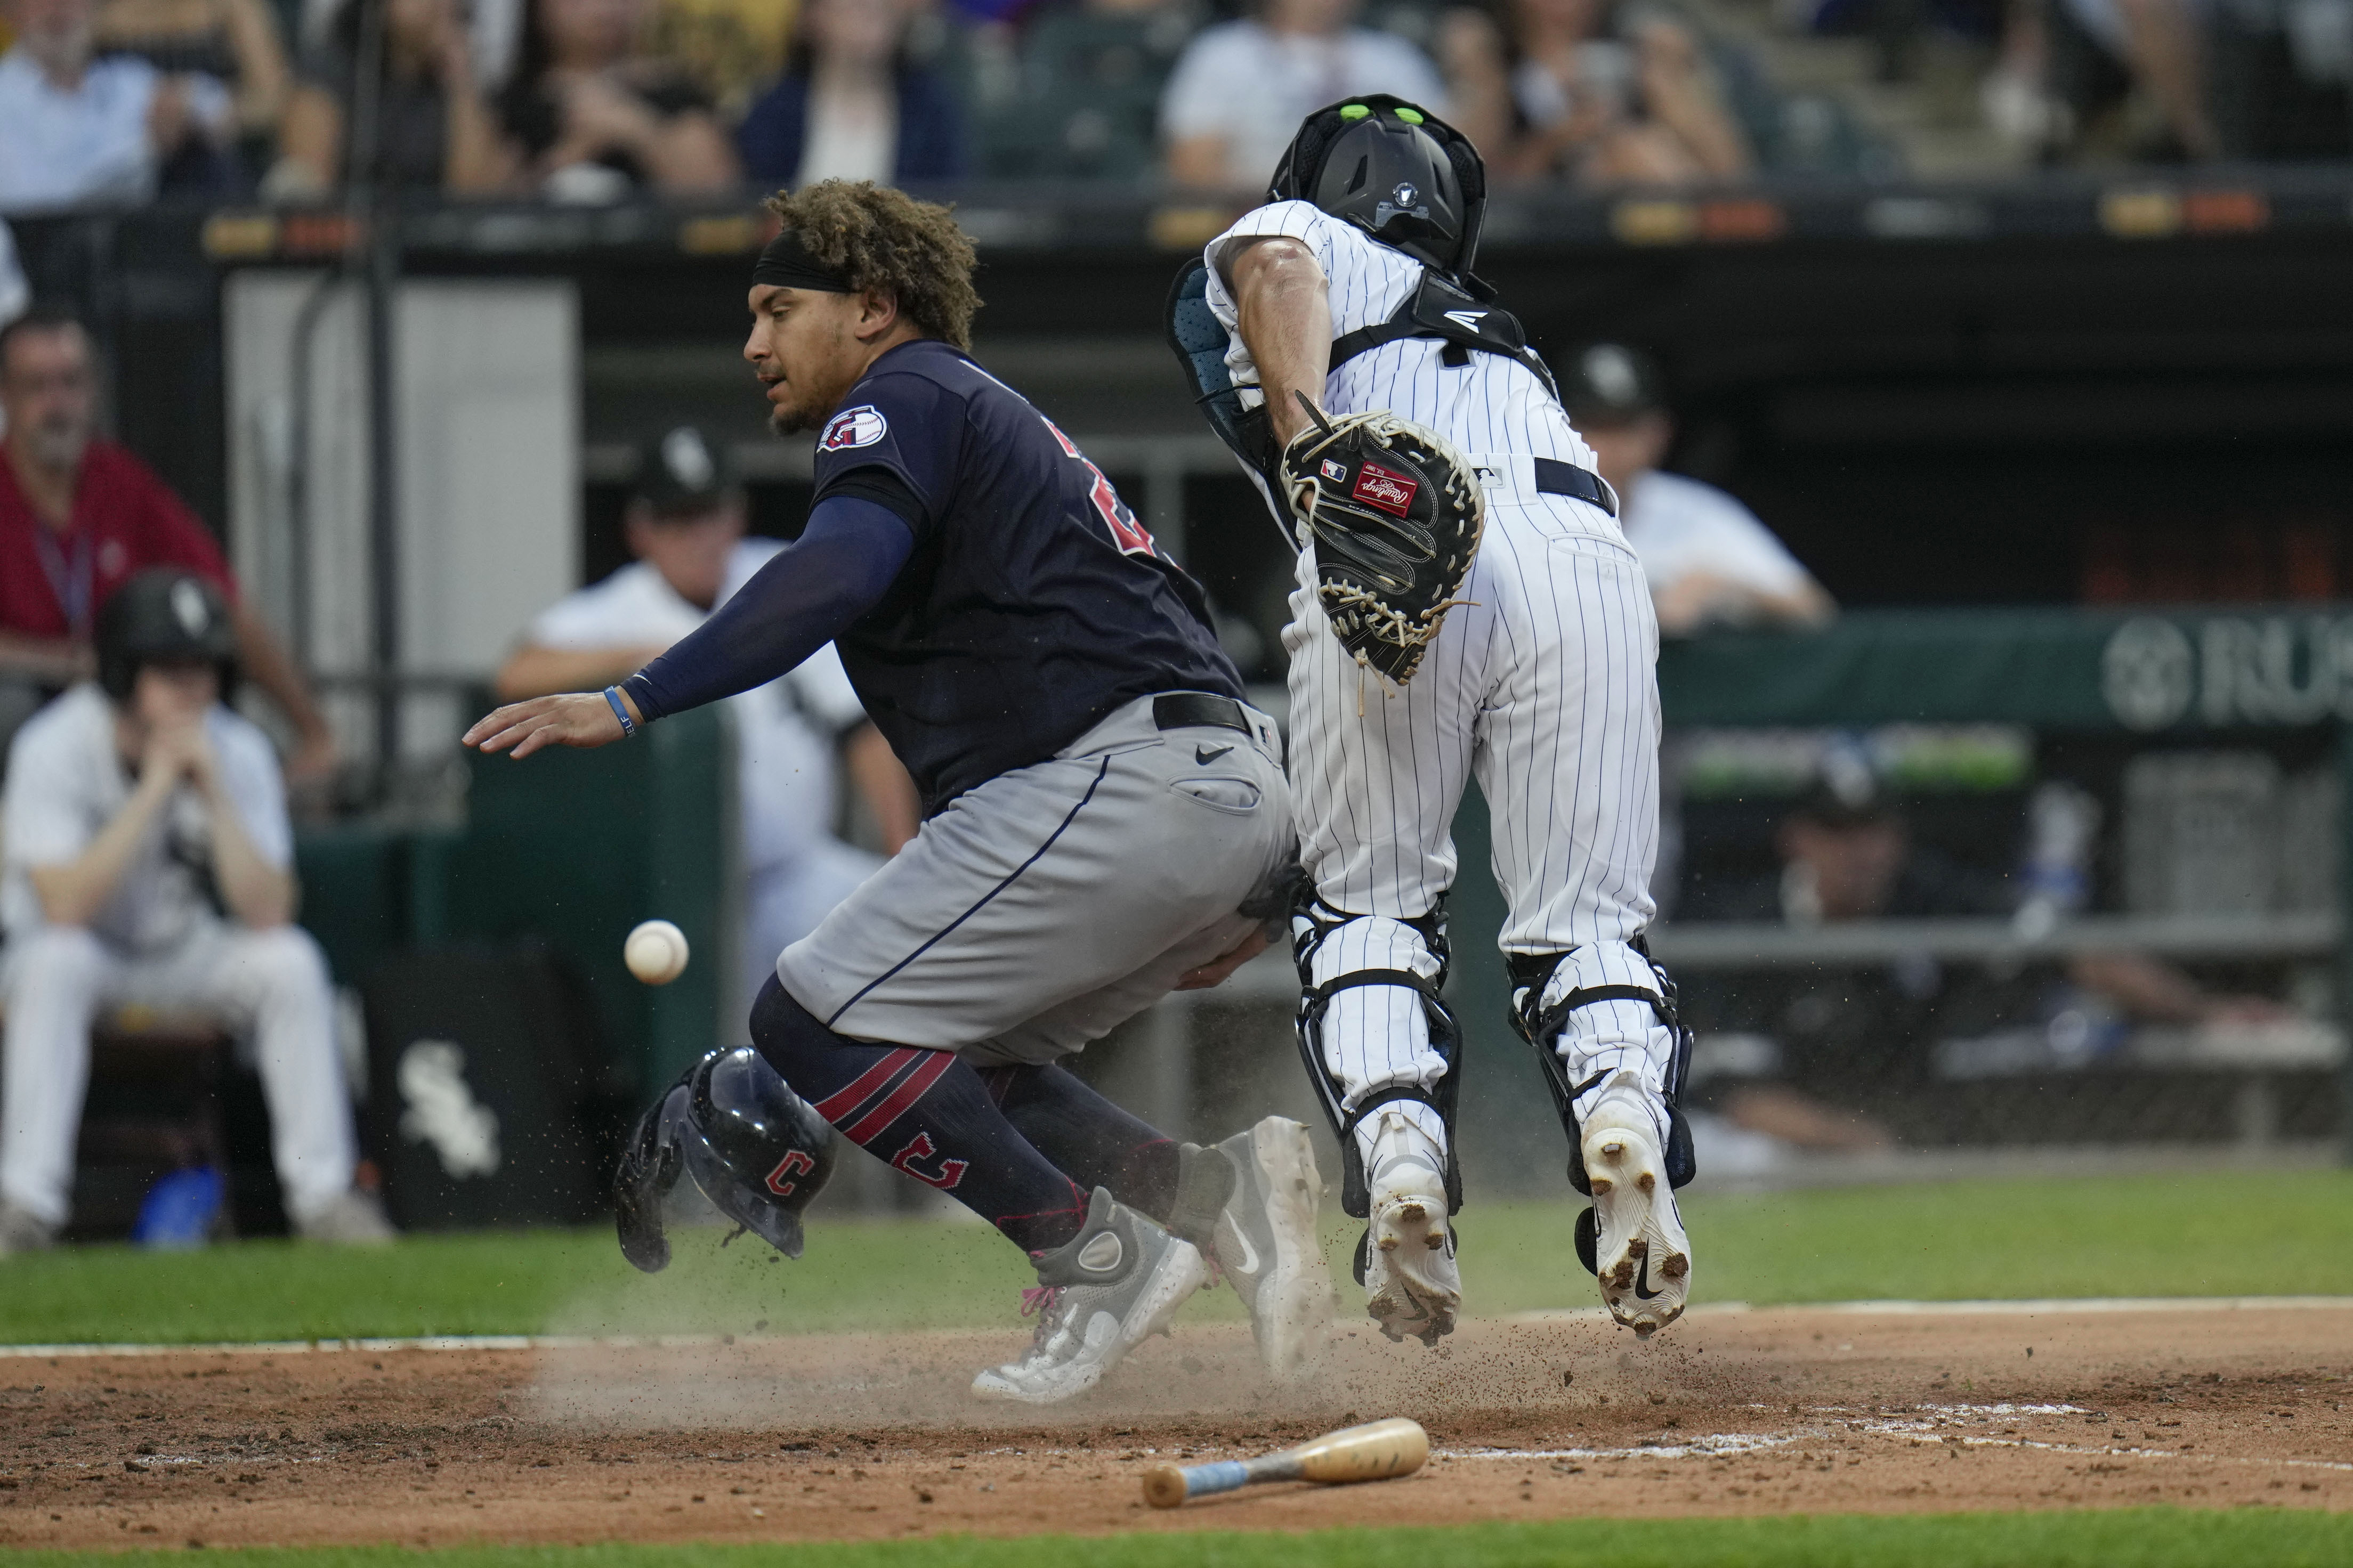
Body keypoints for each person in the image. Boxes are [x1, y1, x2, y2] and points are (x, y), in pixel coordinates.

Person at [465, 179, 1329, 1405]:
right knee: (951, 1045)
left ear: (870, 310)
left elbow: (832, 576)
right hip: (1204, 786)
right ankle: (1205, 1196)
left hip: (1127, 782)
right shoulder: (978, 417)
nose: (753, 343)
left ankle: (1091, 1256)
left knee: (808, 1020)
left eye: (779, 308)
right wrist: (1250, 883)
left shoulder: (903, 395)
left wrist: (630, 698)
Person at [1184, 95, 1692, 1342]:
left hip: (1397, 536)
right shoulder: (1498, 342)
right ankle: (1619, 1113)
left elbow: (1272, 264)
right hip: (1580, 546)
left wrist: (1312, 441)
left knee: (1368, 907)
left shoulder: (1313, 235)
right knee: (1586, 924)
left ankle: (1403, 1166)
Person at [0, 570, 391, 1255]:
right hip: (79, 953)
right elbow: (65, 905)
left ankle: (323, 1199)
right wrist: (151, 792)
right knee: (53, 962)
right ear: (123, 673)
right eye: (169, 669)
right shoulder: (54, 746)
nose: (192, 688)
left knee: (289, 961)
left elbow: (268, 908)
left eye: (203, 668)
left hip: (180, 952)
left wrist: (213, 794)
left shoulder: (235, 748)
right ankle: (26, 1207)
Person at [496, 424, 920, 1011]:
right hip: (681, 898)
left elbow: (860, 729)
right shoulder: (621, 608)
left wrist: (901, 849)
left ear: (736, 515)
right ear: (640, 530)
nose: (698, 537)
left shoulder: (779, 576)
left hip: (794, 872)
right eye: (678, 520)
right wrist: (640, 655)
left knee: (905, 948)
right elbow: (516, 672)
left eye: (709, 515)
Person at [0, 307, 338, 781]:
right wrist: (60, 661)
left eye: (72, 383)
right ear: (6, 397)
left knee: (201, 701)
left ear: (93, 390)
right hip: (30, 713)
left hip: (123, 707)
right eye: (38, 386)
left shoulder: (120, 481)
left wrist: (314, 731)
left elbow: (223, 602)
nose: (58, 405)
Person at [1564, 342, 1833, 635]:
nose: (1611, 446)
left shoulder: (1693, 509)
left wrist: (1722, 593)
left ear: (1659, 432)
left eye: (1625, 426)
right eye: (1594, 425)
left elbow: (1816, 611)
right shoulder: (1525, 508)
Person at [1160, 0, 1446, 191]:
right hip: (1258, 227)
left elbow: (1443, 162)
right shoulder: (1222, 53)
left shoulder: (1395, 57)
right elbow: (1194, 171)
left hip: (1376, 232)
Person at [1459, 0, 1753, 186]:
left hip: (1646, 209)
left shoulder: (1635, 55)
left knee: (1637, 148)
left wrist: (1670, 81)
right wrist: (1555, 142)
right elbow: (1478, 188)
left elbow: (1731, 172)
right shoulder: (1499, 66)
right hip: (1544, 224)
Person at [0, 0, 236, 211]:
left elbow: (213, 102)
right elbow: (33, 205)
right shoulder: (6, 96)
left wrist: (184, 106)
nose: (59, 9)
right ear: (9, 8)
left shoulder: (124, 81)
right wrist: (145, 147)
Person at [492, 0, 737, 199]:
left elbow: (719, 195)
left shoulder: (674, 91)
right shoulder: (514, 103)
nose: (603, 9)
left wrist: (636, 130)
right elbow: (485, 204)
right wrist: (576, 150)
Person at [267, 0, 515, 196]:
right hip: (343, 246)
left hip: (428, 248)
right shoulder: (332, 68)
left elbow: (472, 196)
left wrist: (461, 83)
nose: (444, 5)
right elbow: (305, 183)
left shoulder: (452, 86)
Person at [734, 0, 967, 188]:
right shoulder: (776, 109)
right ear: (811, 17)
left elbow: (953, 201)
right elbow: (753, 207)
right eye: (854, 5)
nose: (871, 8)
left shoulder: (929, 106)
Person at [93, 0, 291, 141]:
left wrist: (207, 108)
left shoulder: (231, 8)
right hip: (115, 161)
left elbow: (272, 101)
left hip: (213, 161)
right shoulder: (98, 13)